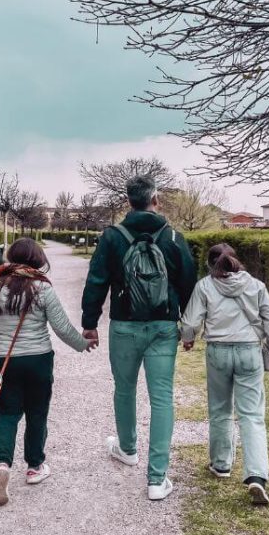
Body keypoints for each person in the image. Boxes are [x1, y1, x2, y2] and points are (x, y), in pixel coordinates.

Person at [80, 174, 197, 501]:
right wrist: (187, 329)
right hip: (163, 327)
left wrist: (90, 323)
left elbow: (96, 281)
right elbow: (189, 284)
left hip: (124, 325)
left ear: (128, 202)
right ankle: (157, 479)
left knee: (125, 388)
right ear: (155, 199)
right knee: (162, 398)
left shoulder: (113, 237)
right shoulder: (174, 237)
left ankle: (128, 448)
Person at [0, 237, 93, 507]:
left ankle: (2, 463)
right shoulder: (42, 288)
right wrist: (82, 344)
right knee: (37, 413)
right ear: (37, 258)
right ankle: (34, 466)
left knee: (7, 414)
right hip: (39, 359)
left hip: (7, 361)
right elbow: (62, 327)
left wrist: (4, 334)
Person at [180, 242, 269, 506]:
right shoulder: (256, 285)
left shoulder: (205, 285)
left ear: (209, 264)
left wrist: (188, 338)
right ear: (235, 261)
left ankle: (221, 464)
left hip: (218, 351)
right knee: (252, 416)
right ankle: (257, 476)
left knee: (220, 409)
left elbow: (191, 321)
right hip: (250, 351)